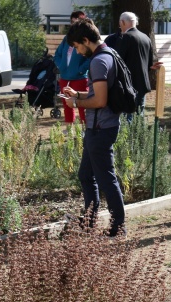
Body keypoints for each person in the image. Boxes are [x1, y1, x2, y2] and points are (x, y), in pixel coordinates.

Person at [62, 18, 126, 237]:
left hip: (101, 127)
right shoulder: (110, 54)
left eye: (78, 46)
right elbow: (100, 94)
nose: (79, 52)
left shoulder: (98, 61)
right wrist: (78, 94)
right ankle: (89, 222)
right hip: (99, 126)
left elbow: (99, 101)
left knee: (106, 177)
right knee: (86, 175)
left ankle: (118, 227)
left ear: (86, 40)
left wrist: (76, 103)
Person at [111, 12, 161, 120]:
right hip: (142, 84)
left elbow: (117, 61)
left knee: (127, 118)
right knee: (139, 115)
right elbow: (149, 63)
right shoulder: (145, 37)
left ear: (122, 22)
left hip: (128, 86)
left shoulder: (125, 37)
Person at [54, 11, 89, 127]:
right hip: (65, 77)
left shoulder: (86, 39)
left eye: (77, 22)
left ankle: (86, 128)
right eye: (72, 22)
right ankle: (69, 128)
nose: (74, 25)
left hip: (79, 78)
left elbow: (90, 57)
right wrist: (61, 66)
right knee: (67, 103)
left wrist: (81, 69)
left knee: (82, 105)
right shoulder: (66, 39)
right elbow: (57, 54)